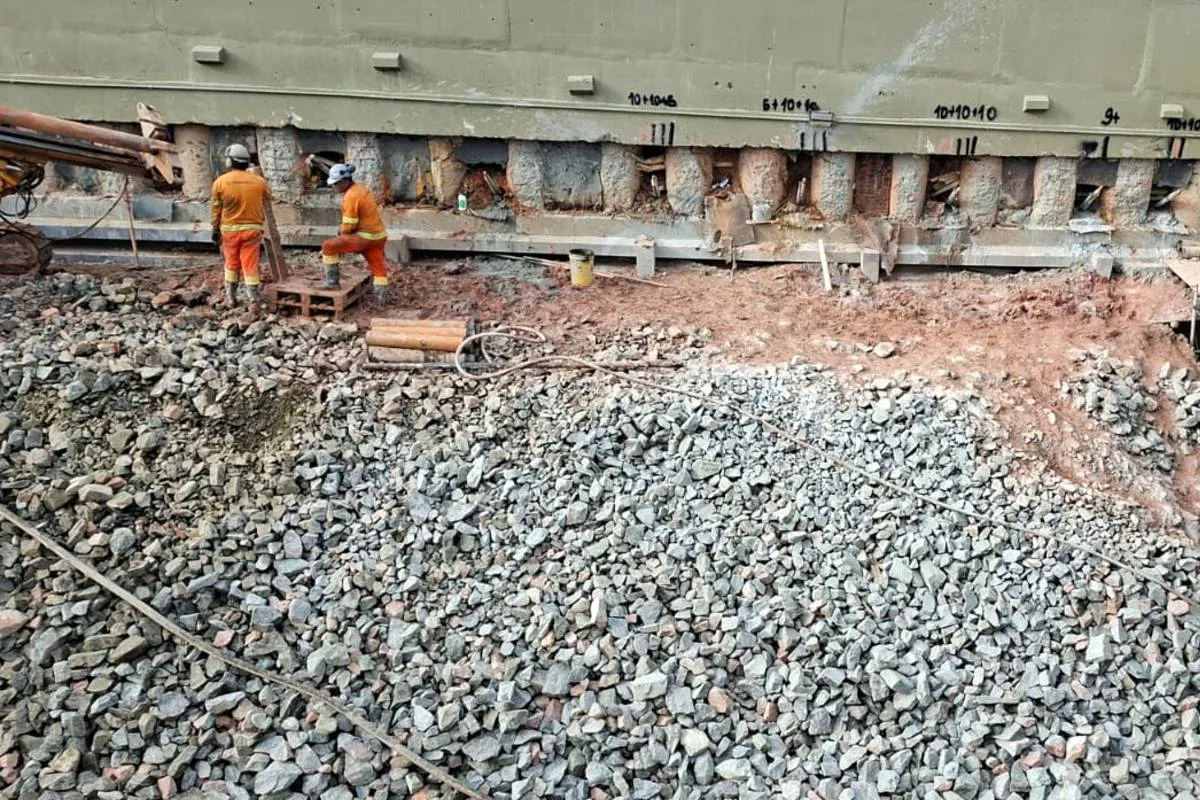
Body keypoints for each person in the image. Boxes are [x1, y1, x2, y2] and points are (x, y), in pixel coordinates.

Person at [210, 144, 271, 307]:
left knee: (231, 263)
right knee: (250, 263)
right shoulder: (259, 182)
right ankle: (254, 298)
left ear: (230, 161)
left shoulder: (220, 183)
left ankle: (231, 297)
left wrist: (215, 229)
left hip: (229, 231)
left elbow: (216, 209)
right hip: (252, 230)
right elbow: (268, 197)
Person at [321, 163, 390, 304]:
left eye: (335, 184)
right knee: (378, 267)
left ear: (345, 181)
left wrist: (341, 232)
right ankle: (381, 300)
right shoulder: (362, 189)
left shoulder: (350, 196)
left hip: (364, 237)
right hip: (379, 236)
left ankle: (333, 282)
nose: (334, 187)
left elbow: (349, 226)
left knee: (328, 247)